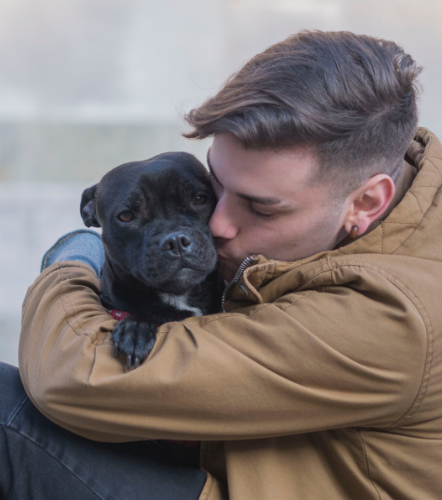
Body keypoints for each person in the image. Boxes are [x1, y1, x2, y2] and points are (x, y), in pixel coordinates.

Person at [1, 30, 442, 499]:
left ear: (367, 201)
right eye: (213, 185)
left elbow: (74, 378)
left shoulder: (394, 318)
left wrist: (76, 254)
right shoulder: (384, 184)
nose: (216, 223)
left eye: (260, 206)